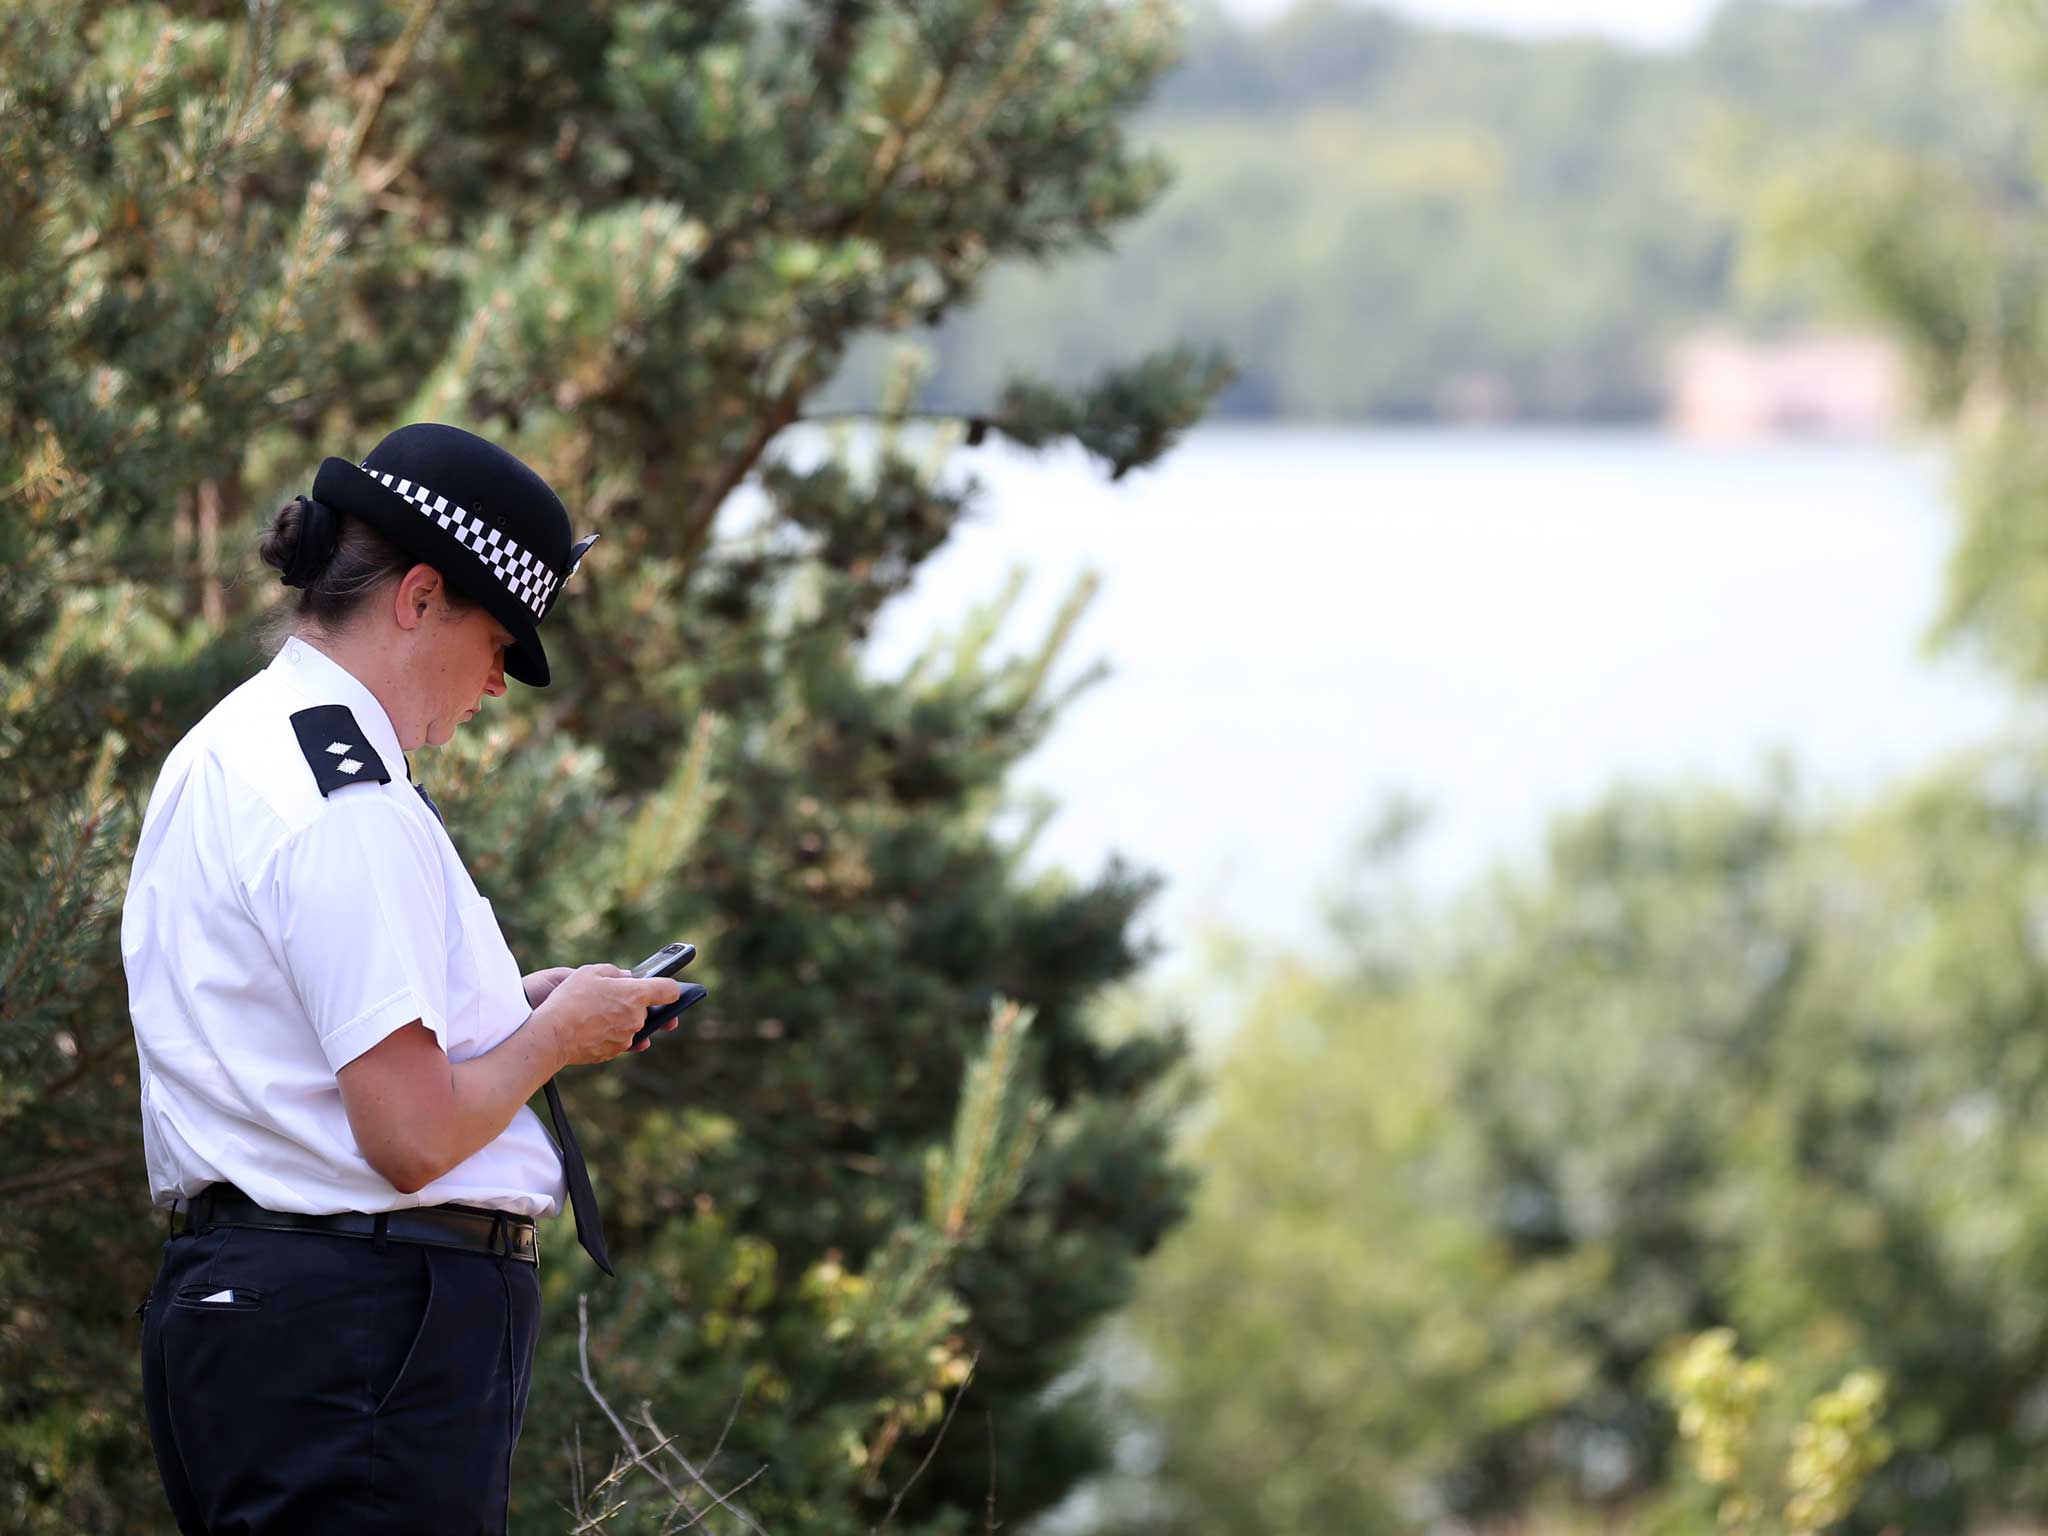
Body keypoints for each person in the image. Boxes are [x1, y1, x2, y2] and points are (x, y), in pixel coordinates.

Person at [121, 423, 684, 1535]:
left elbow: (295, 1033)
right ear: (420, 598)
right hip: (363, 1333)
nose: (498, 684)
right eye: (497, 641)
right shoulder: (350, 802)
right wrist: (557, 1038)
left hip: (277, 1317)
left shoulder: (237, 745)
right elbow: (410, 1137)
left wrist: (508, 1010)